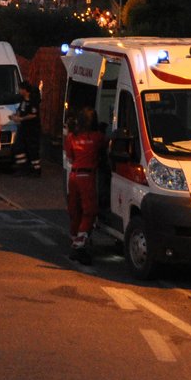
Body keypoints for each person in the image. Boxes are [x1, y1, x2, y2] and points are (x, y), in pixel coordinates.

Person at [64, 108, 104, 264]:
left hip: (73, 176)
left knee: (75, 211)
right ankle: (79, 245)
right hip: (87, 177)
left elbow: (70, 157)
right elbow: (107, 145)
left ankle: (74, 241)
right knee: (90, 211)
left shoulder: (72, 137)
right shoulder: (96, 137)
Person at [15, 81, 41, 175]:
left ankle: (36, 170)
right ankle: (22, 168)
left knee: (32, 149)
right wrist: (16, 116)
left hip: (32, 129)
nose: (19, 91)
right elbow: (20, 110)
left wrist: (22, 118)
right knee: (19, 147)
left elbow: (33, 115)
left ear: (25, 90)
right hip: (23, 128)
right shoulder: (23, 100)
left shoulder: (33, 101)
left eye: (20, 89)